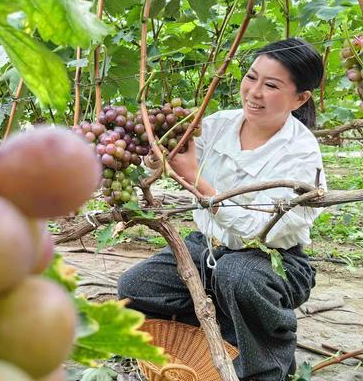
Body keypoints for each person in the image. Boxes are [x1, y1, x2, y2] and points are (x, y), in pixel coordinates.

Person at [117, 38, 326, 381]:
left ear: (300, 98)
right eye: (251, 77)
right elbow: (172, 155)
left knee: (238, 276)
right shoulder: (218, 124)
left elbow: (258, 233)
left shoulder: (301, 153)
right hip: (208, 248)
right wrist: (156, 155)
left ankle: (265, 364)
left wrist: (196, 181)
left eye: (271, 85)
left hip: (273, 261)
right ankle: (220, 333)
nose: (254, 92)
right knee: (136, 287)